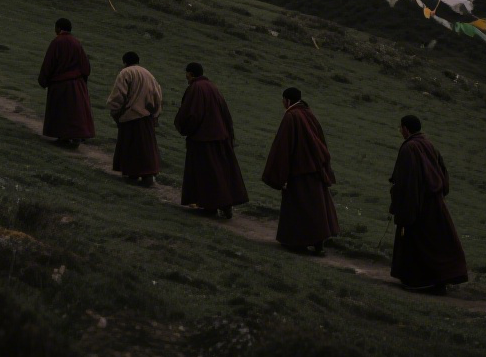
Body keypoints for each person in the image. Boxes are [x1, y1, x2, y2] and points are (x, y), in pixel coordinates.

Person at [388, 115, 468, 291]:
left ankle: (422, 281)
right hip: (436, 202)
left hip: (419, 204)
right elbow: (443, 174)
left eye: (400, 128)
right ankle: (437, 280)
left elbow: (408, 181)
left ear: (406, 129)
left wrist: (404, 207)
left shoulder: (409, 147)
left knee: (419, 242)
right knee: (435, 243)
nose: (400, 132)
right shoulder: (429, 144)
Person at [262, 87, 339, 254]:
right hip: (315, 168)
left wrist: (278, 175)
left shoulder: (291, 116)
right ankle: (318, 243)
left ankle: (297, 242)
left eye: (283, 100)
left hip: (299, 170)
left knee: (300, 208)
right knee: (316, 207)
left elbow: (283, 146)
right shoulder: (308, 113)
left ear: (287, 100)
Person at [172, 62, 249, 218]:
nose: (186, 77)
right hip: (220, 137)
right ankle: (224, 205)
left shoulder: (195, 88)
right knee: (219, 172)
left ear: (191, 74)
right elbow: (225, 113)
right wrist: (229, 134)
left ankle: (212, 205)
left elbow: (191, 114)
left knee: (207, 173)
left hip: (203, 139)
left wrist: (183, 128)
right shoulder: (213, 87)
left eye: (186, 73)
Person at [36, 18, 94, 148]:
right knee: (74, 112)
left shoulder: (57, 42)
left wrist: (43, 80)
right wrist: (82, 80)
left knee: (61, 111)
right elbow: (85, 66)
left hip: (60, 84)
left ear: (58, 28)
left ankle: (63, 137)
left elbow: (49, 63)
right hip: (76, 83)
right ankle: (74, 137)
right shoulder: (77, 43)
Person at [107, 51, 162, 186]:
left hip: (130, 115)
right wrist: (155, 114)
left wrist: (114, 109)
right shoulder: (149, 74)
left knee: (131, 146)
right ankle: (148, 175)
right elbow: (157, 95)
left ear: (125, 62)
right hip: (147, 116)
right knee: (146, 147)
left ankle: (132, 174)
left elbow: (119, 94)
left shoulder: (126, 73)